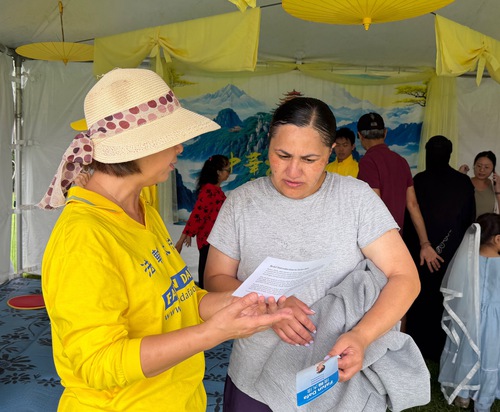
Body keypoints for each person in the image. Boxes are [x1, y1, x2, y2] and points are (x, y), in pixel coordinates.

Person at [38, 68, 291, 412]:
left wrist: (240, 302)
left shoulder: (141, 208)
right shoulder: (83, 237)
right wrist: (213, 333)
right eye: (172, 137)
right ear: (135, 147)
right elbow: (97, 363)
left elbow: (179, 298)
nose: (181, 146)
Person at [204, 97, 422, 411]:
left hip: (331, 375)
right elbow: (215, 279)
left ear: (330, 151)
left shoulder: (356, 199)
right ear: (269, 145)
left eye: (309, 159)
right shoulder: (241, 202)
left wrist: (362, 336)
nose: (293, 171)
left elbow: (405, 277)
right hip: (254, 374)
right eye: (282, 155)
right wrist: (269, 304)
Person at [404, 135, 476, 361]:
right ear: (450, 154)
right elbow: (468, 220)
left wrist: (424, 246)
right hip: (452, 253)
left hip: (421, 252)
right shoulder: (463, 182)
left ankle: (418, 346)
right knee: (447, 298)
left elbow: (410, 219)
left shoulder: (419, 180)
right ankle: (444, 347)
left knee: (421, 298)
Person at [356, 112, 443, 274]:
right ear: (385, 133)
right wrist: (425, 244)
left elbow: (375, 205)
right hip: (396, 240)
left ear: (359, 136)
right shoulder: (401, 161)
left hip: (376, 244)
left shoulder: (368, 162)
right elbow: (413, 205)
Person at [439, 213, 500, 411]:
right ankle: (483, 401)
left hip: (469, 317)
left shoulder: (466, 260)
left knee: (467, 351)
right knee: (490, 356)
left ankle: (463, 394)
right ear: (498, 239)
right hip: (494, 322)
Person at [175, 155, 230, 288]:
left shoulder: (215, 190)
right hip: (208, 240)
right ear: (218, 172)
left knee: (210, 271)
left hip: (214, 240)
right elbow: (198, 215)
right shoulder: (209, 191)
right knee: (207, 273)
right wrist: (182, 239)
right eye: (228, 170)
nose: (229, 173)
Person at [459, 151, 500, 218]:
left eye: (486, 167)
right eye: (479, 166)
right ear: (474, 166)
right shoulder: (465, 183)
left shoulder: (495, 186)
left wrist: (498, 190)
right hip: (466, 224)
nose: (481, 170)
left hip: (488, 224)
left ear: (493, 169)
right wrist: (460, 177)